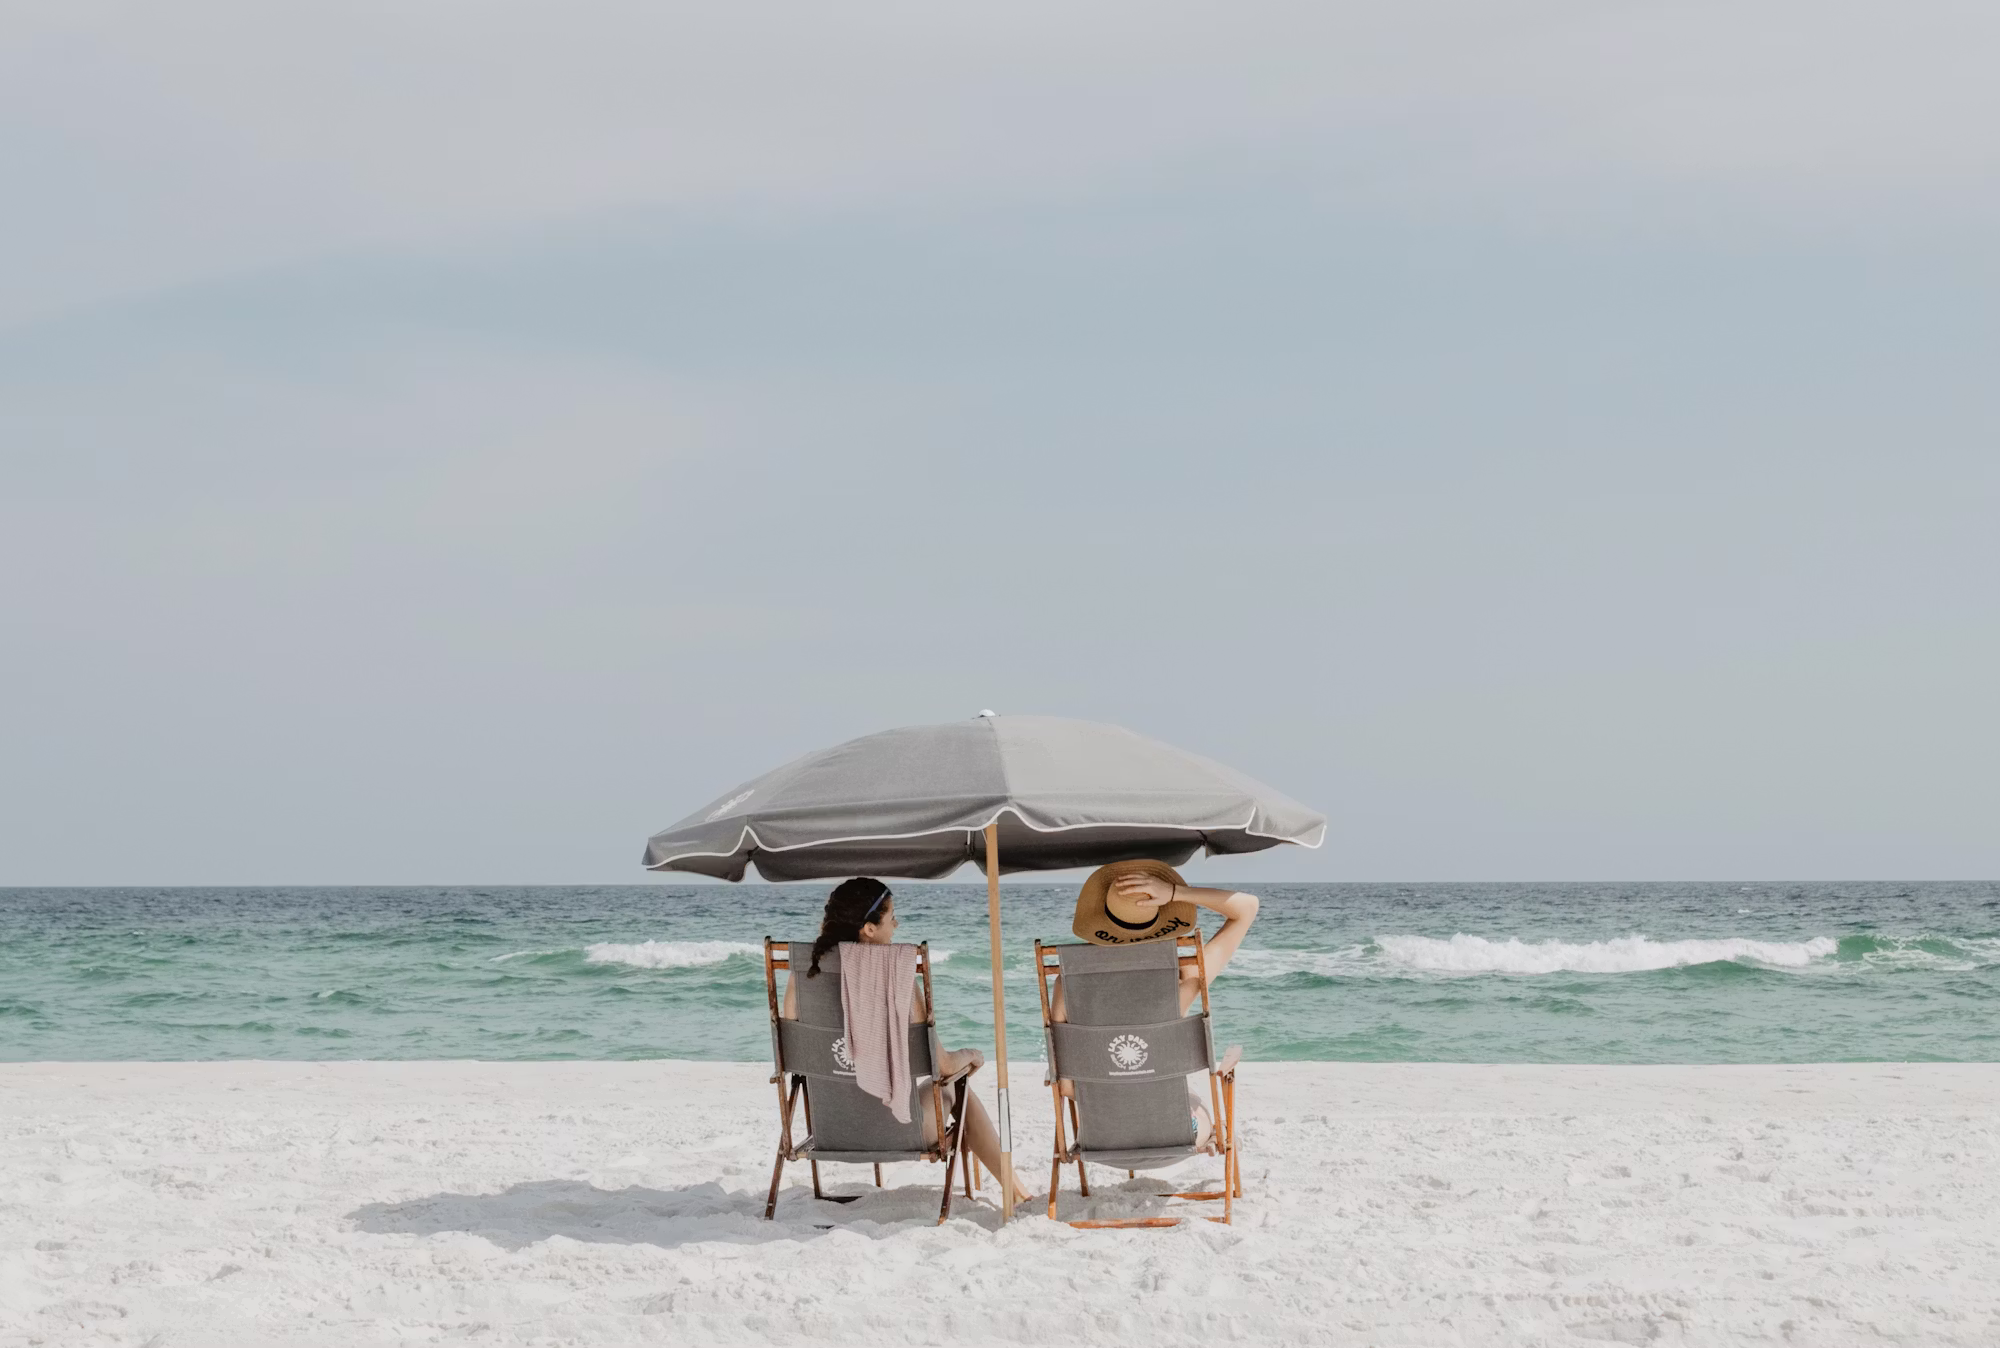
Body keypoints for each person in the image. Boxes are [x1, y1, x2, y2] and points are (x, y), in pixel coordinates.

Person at [782, 877, 1034, 1207]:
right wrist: (971, 1055)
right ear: (869, 929)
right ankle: (1016, 1193)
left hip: (829, 1127)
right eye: (891, 918)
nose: (897, 925)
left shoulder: (803, 977)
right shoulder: (897, 977)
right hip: (901, 1129)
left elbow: (794, 1053)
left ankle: (1016, 1190)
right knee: (959, 1090)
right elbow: (941, 1065)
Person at [1049, 859, 1259, 1151]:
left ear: (1100, 918)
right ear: (1160, 920)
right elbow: (1247, 908)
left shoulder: (1066, 985)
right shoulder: (1184, 980)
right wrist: (1175, 892)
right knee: (1196, 1103)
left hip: (1101, 1136)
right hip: (1178, 1133)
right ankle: (1213, 1134)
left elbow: (1067, 1086)